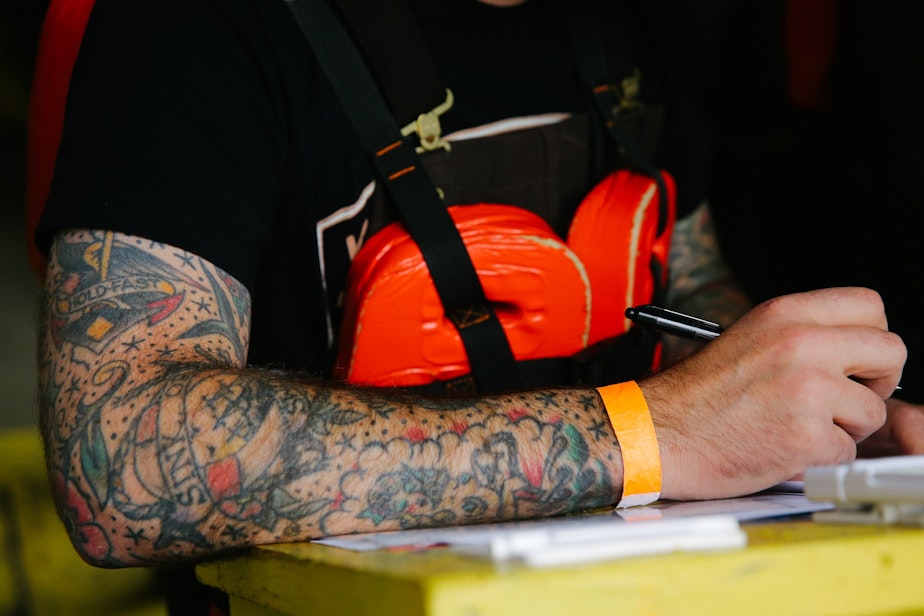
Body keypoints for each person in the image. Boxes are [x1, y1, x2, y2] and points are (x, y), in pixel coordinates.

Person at [33, 0, 922, 584]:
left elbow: (681, 278)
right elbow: (115, 461)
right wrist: (655, 432)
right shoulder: (197, 27)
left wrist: (812, 412)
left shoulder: (648, 17)